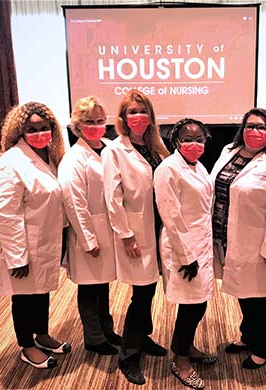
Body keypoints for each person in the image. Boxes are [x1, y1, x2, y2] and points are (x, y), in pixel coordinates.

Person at [210, 108, 266, 369]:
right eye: (250, 126)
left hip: (258, 244)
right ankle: (248, 337)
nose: (254, 132)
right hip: (227, 237)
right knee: (243, 291)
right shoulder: (230, 151)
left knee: (260, 298)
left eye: (261, 127)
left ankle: (263, 348)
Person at [0, 102, 71, 369]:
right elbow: (6, 213)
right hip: (23, 243)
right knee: (25, 295)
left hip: (48, 239)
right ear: (19, 131)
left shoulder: (50, 155)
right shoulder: (11, 162)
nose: (40, 132)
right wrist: (16, 257)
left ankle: (42, 334)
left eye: (45, 127)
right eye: (32, 129)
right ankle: (27, 345)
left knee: (41, 290)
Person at [101, 90, 170, 385]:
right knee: (140, 294)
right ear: (123, 118)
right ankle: (128, 356)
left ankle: (143, 338)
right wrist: (126, 235)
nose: (138, 117)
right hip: (137, 232)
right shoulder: (115, 151)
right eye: (132, 112)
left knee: (149, 289)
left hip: (159, 228)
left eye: (143, 112)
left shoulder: (157, 147)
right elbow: (112, 199)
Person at [154, 118, 216, 390]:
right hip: (184, 249)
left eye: (199, 139)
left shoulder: (199, 166)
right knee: (193, 305)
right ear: (176, 141)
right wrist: (186, 255)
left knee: (198, 301)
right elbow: (171, 215)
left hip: (200, 244)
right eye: (188, 138)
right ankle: (180, 359)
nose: (194, 143)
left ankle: (187, 347)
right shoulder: (168, 169)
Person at [58, 96, 121, 356]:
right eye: (88, 121)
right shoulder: (74, 158)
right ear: (77, 125)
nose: (95, 126)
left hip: (108, 229)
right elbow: (74, 203)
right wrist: (88, 240)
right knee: (89, 287)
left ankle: (106, 329)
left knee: (102, 283)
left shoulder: (108, 147)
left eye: (99, 121)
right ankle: (93, 338)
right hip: (89, 231)